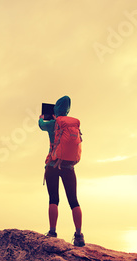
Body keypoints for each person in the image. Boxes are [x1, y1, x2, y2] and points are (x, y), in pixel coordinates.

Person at [39, 95, 85, 247]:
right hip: (68, 167)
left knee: (54, 199)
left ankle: (52, 232)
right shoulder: (72, 125)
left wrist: (42, 118)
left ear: (56, 109)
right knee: (73, 200)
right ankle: (78, 235)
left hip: (52, 165)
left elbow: (40, 124)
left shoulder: (52, 124)